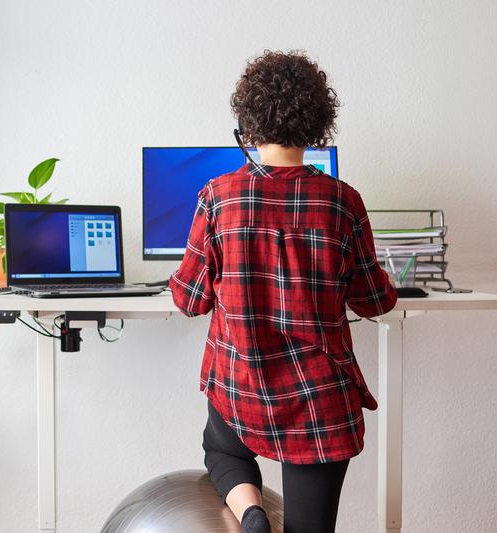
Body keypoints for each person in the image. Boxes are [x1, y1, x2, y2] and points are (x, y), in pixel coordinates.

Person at [169, 50, 398, 533]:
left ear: (248, 124)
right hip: (318, 399)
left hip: (241, 385)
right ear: (317, 123)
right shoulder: (343, 201)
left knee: (222, 447)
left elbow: (189, 300)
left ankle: (251, 514)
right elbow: (374, 302)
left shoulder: (218, 198)